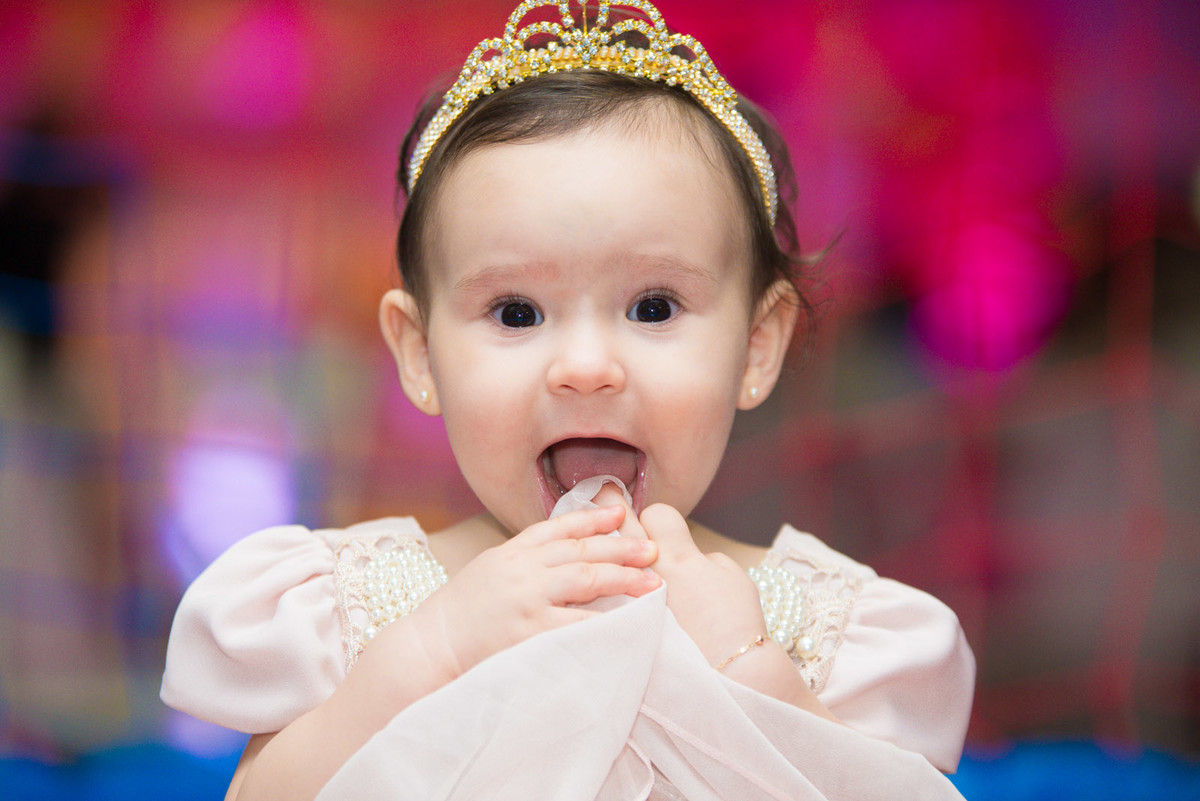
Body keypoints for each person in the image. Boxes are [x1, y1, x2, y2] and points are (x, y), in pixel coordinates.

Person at [161, 2, 975, 799]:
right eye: (516, 313)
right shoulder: (352, 604)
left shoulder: (829, 623)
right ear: (421, 355)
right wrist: (434, 647)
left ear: (757, 346)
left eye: (653, 308)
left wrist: (753, 672)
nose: (586, 367)